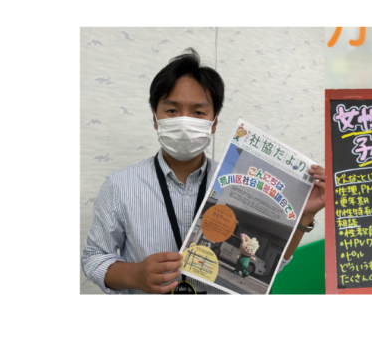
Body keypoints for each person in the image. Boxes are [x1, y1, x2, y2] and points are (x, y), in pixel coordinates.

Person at [82, 48, 326, 294]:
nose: (185, 122)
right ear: (155, 118)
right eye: (172, 111)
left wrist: (304, 216)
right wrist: (132, 275)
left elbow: (274, 269)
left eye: (198, 112)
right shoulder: (119, 186)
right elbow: (93, 257)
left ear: (214, 122)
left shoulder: (236, 183)